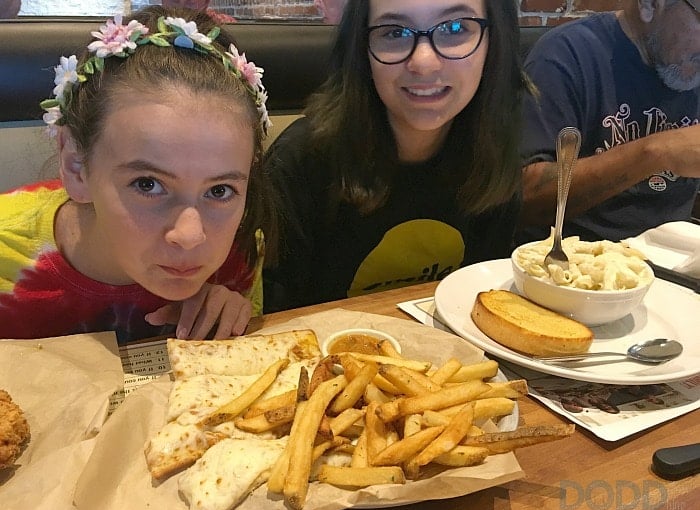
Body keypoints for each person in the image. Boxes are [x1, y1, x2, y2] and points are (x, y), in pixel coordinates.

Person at [0, 6, 278, 343]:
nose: (190, 236)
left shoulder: (238, 252)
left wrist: (230, 322)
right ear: (76, 166)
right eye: (148, 184)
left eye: (220, 190)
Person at [263, 0, 527, 312]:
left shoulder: (493, 150)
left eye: (455, 28)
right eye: (394, 32)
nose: (423, 62)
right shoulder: (300, 161)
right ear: (362, 48)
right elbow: (272, 317)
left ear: (494, 41)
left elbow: (483, 305)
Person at [518, 0, 700, 243]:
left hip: (677, 256)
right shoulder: (565, 55)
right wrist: (657, 153)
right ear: (649, 5)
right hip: (577, 257)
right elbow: (525, 199)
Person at [160, 0, 237, 24]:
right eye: (174, 0)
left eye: (190, 1)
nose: (182, 5)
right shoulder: (153, 23)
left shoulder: (224, 25)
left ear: (206, 2)